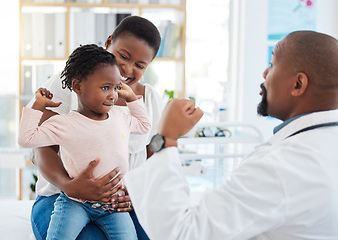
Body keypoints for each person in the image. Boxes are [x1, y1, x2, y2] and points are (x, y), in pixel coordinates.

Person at [124, 30, 338, 239]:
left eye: (272, 65)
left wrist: (166, 138)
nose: (265, 73)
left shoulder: (284, 166)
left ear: (298, 84)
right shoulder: (323, 146)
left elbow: (182, 233)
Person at [28, 16, 163, 240]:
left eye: (140, 65)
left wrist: (136, 192)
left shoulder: (149, 101)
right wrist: (70, 186)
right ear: (109, 42)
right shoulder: (72, 82)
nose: (127, 69)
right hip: (63, 197)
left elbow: (154, 158)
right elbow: (41, 148)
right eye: (123, 56)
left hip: (118, 204)